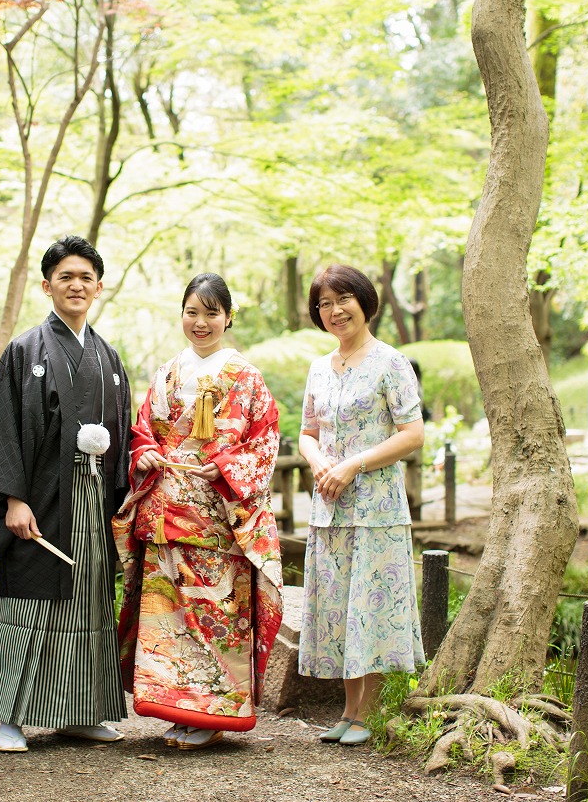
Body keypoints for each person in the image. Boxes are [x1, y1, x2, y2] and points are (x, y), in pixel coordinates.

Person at [113, 273, 283, 751]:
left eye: (212, 313)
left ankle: (211, 713)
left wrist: (225, 468)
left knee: (215, 614)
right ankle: (177, 705)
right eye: (193, 312)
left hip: (216, 515)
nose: (201, 322)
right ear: (182, 315)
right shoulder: (167, 371)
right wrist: (143, 452)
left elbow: (264, 442)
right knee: (167, 616)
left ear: (229, 318)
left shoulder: (245, 376)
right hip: (166, 510)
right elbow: (144, 430)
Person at [0, 235, 132, 753]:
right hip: (40, 497)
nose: (76, 285)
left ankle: (80, 711)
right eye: (65, 276)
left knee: (87, 601)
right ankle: (10, 717)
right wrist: (12, 498)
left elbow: (125, 435)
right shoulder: (25, 350)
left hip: (93, 499)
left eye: (86, 277)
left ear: (99, 287)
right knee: (29, 602)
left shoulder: (109, 358)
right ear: (47, 286)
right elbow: (2, 430)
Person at [296, 264, 425, 747]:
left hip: (377, 509)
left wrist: (354, 465)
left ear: (364, 302)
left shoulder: (391, 362)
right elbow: (307, 433)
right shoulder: (318, 368)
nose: (334, 311)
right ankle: (349, 712)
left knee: (371, 609)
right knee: (341, 610)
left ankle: (369, 713)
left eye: (342, 299)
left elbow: (413, 433)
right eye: (324, 304)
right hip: (329, 508)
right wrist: (318, 462)